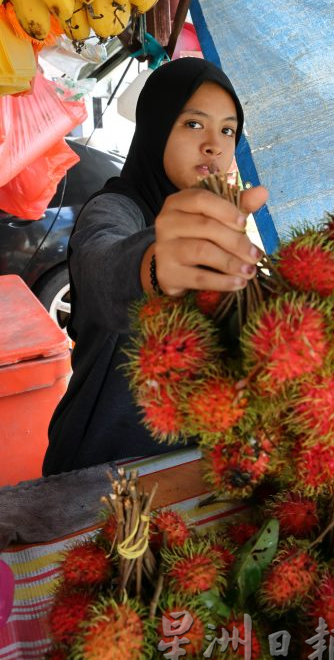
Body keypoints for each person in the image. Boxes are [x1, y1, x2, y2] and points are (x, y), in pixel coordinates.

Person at [42, 57, 268, 476]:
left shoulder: (223, 230)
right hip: (98, 471)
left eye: (228, 130)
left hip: (192, 467)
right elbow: (102, 268)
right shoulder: (113, 209)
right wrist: (155, 263)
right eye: (193, 124)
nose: (214, 144)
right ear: (155, 128)